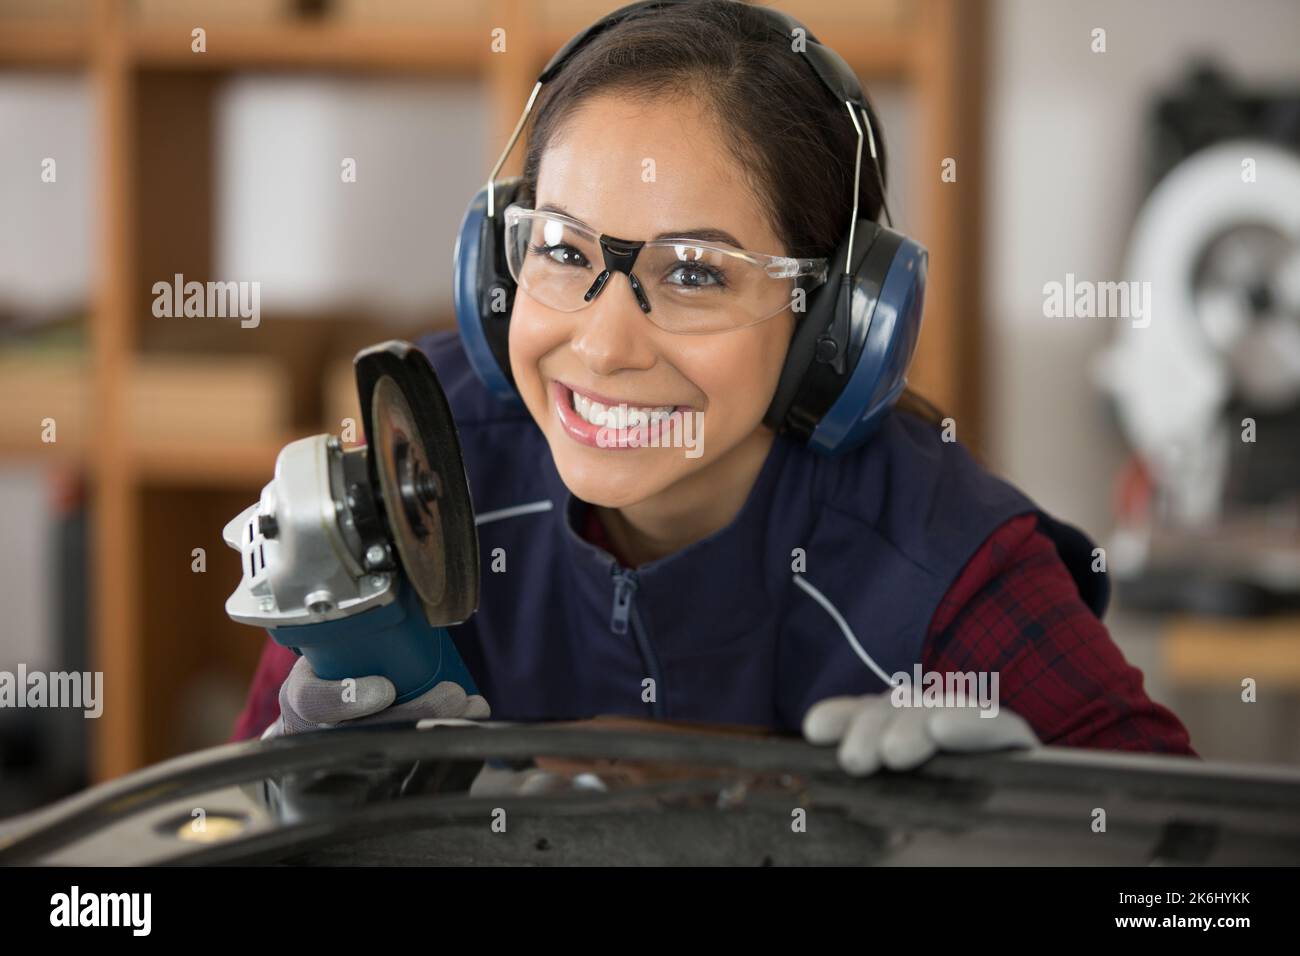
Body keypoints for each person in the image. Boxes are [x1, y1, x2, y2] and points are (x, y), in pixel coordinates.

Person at [231, 0, 1194, 775]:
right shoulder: (423, 453)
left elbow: (1200, 883)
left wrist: (1040, 824)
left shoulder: (944, 556)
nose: (604, 345)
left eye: (694, 272)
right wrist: (298, 812)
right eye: (562, 250)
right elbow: (224, 829)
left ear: (838, 327)